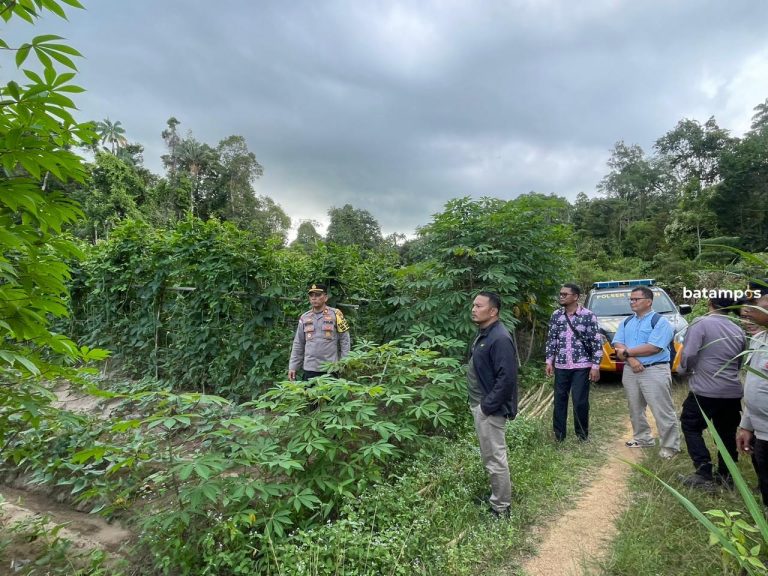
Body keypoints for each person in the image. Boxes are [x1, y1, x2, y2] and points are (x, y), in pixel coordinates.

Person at [677, 297, 745, 490]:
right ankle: (727, 476)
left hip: (705, 390)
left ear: (710, 304)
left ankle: (703, 472)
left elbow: (689, 354)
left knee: (690, 425)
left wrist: (685, 370)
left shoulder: (701, 323)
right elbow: (739, 362)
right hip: (732, 391)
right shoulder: (738, 329)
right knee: (726, 433)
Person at [612, 285, 681, 458]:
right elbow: (618, 343)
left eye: (636, 299)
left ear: (649, 301)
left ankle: (670, 447)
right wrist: (632, 360)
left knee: (662, 409)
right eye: (631, 299)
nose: (632, 302)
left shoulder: (660, 322)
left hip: (654, 370)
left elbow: (654, 348)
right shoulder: (627, 321)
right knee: (635, 407)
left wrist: (626, 353)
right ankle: (643, 439)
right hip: (630, 370)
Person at [468, 291, 518, 518]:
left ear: (493, 311)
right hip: (482, 405)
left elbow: (507, 378)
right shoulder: (486, 334)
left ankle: (501, 508)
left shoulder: (499, 338)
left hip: (489, 408)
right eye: (473, 305)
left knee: (495, 458)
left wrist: (487, 406)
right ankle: (497, 498)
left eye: (479, 306)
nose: (474, 309)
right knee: (490, 456)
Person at [545, 283, 603, 441]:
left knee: (579, 401)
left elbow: (596, 342)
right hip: (561, 365)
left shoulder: (588, 315)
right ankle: (559, 435)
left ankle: (582, 435)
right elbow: (552, 340)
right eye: (561, 294)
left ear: (576, 297)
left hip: (582, 365)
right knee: (559, 400)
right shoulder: (556, 315)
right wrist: (549, 361)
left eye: (565, 294)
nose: (561, 296)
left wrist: (595, 366)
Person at [736, 289, 768, 506]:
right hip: (762, 429)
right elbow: (753, 385)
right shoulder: (759, 340)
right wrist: (747, 425)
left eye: (759, 307)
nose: (751, 312)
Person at [288, 283, 351, 381]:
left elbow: (345, 340)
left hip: (330, 368)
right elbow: (298, 343)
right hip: (310, 369)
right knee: (310, 396)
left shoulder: (336, 314)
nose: (314, 298)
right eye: (311, 295)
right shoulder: (304, 318)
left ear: (325, 297)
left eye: (318, 295)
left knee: (329, 396)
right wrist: (293, 367)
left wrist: (344, 362)